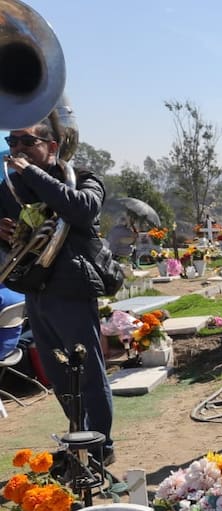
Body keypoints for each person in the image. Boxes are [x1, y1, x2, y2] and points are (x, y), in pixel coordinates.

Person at [0, 118, 115, 464]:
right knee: (57, 373)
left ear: (51, 147)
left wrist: (33, 174)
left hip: (72, 287)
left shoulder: (83, 178)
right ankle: (81, 439)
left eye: (26, 142)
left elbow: (82, 209)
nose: (16, 149)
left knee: (88, 371)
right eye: (11, 141)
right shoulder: (10, 187)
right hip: (36, 289)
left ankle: (101, 446)